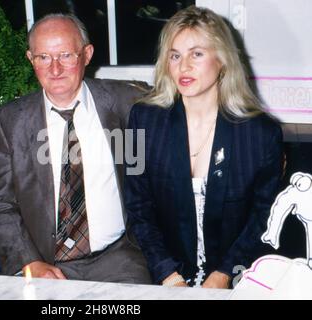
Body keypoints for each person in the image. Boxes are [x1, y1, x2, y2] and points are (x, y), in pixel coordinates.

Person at [124, 6, 284, 288]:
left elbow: (263, 218)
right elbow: (137, 208)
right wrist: (169, 276)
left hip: (237, 275)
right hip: (162, 274)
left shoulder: (262, 134)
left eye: (196, 53)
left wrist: (222, 276)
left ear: (222, 60)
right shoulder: (140, 120)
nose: (183, 66)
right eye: (175, 55)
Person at [0, 13, 151, 283]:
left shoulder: (127, 102)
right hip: (43, 261)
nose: (55, 69)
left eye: (65, 55)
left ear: (86, 54)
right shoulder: (10, 121)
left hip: (119, 259)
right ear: (30, 59)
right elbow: (1, 206)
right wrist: (30, 262)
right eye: (43, 58)